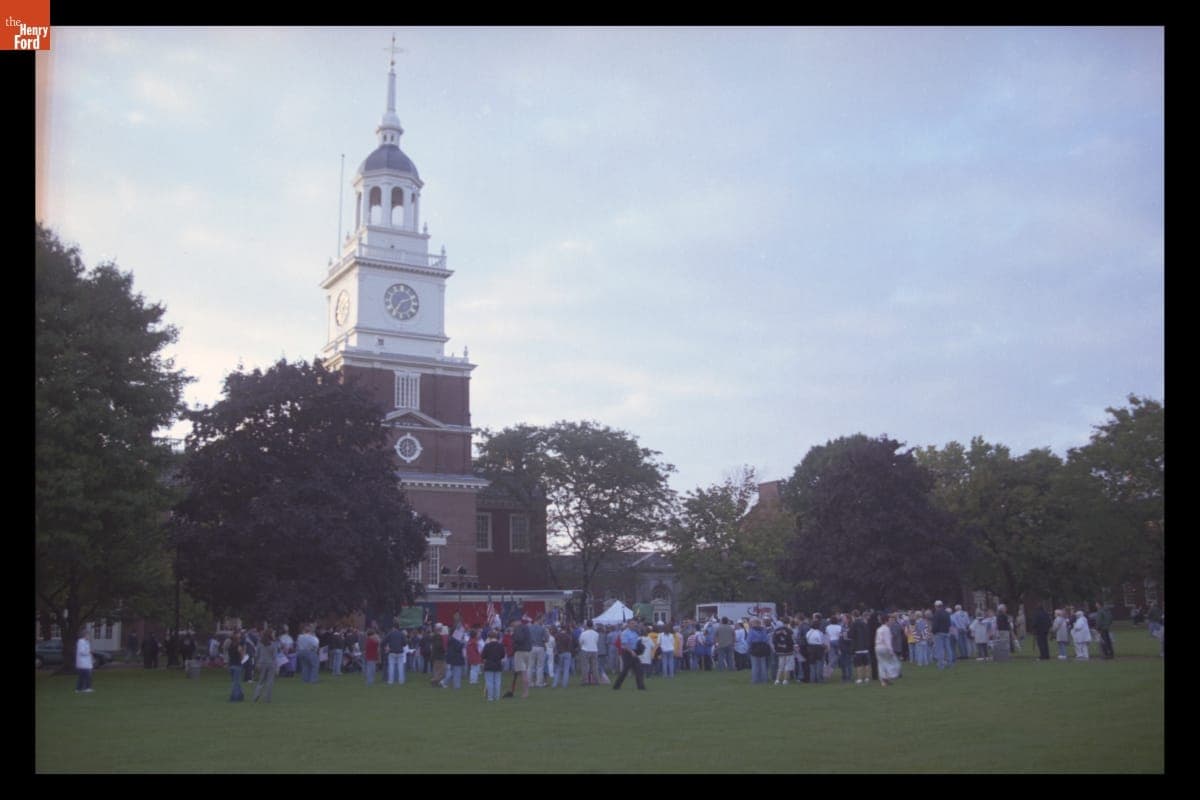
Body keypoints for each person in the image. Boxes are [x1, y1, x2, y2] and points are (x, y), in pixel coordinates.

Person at [613, 620, 646, 691]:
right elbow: (624, 644)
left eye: (635, 623)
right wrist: (631, 652)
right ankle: (616, 686)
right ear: (628, 624)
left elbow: (638, 641)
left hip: (634, 652)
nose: (634, 625)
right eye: (632, 623)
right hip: (627, 653)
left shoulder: (635, 632)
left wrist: (640, 647)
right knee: (625, 671)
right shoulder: (625, 633)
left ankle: (641, 687)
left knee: (639, 670)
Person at [252, 629, 280, 703]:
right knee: (269, 682)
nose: (274, 635)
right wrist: (277, 667)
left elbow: (257, 654)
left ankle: (256, 695)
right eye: (273, 634)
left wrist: (256, 663)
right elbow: (274, 656)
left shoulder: (260, 643)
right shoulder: (273, 644)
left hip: (261, 663)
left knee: (260, 681)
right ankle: (267, 698)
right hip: (271, 664)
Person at [875, 613, 901, 687]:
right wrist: (891, 651)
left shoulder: (879, 629)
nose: (890, 621)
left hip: (878, 647)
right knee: (890, 662)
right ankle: (890, 677)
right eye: (889, 620)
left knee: (881, 664)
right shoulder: (886, 629)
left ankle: (883, 680)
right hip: (884, 647)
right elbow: (887, 641)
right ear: (886, 621)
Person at [510, 617, 533, 699]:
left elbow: (519, 639)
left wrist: (513, 638)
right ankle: (526, 691)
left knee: (523, 673)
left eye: (512, 624)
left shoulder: (518, 629)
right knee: (525, 672)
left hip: (520, 651)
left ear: (515, 622)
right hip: (528, 651)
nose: (512, 626)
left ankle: (525, 693)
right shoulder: (526, 627)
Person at [481, 630, 506, 702]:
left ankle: (490, 697)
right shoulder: (500, 645)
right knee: (497, 682)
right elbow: (503, 655)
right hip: (498, 665)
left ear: (489, 637)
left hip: (489, 665)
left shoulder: (487, 646)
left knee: (489, 682)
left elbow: (483, 656)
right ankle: (497, 697)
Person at [931, 601, 953, 670]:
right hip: (946, 633)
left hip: (938, 633)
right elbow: (949, 624)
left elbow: (935, 625)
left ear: (936, 606)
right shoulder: (946, 613)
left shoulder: (936, 613)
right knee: (948, 649)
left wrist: (933, 632)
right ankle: (950, 664)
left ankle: (941, 665)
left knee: (940, 650)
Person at [771, 619, 795, 685]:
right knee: (788, 666)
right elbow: (792, 641)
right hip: (789, 651)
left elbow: (773, 641)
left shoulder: (775, 631)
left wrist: (779, 646)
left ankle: (777, 680)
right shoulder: (789, 631)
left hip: (780, 651)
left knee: (780, 666)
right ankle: (785, 680)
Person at [578, 620, 600, 685]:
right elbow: (596, 641)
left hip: (585, 649)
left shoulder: (583, 633)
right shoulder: (596, 633)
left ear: (586, 625)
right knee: (595, 666)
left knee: (585, 666)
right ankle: (596, 681)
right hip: (594, 650)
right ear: (592, 625)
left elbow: (580, 642)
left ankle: (584, 681)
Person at [228, 630, 246, 702]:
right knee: (236, 682)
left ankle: (240, 696)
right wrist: (243, 652)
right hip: (237, 665)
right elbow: (242, 655)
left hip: (231, 664)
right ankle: (234, 697)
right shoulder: (238, 646)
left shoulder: (230, 645)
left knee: (236, 681)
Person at [75, 627, 94, 694]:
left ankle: (79, 689)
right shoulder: (81, 642)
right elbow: (82, 652)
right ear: (85, 635)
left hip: (86, 663)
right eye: (88, 635)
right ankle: (87, 688)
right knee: (87, 676)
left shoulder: (87, 642)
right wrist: (89, 652)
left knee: (82, 676)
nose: (89, 636)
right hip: (83, 663)